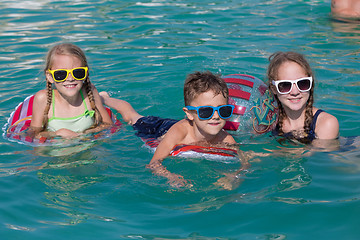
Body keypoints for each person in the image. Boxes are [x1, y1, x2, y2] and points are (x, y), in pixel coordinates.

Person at [100, 71, 249, 188]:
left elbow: (245, 162)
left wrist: (234, 175)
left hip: (185, 125)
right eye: (206, 111)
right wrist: (170, 176)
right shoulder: (179, 134)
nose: (216, 117)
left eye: (223, 111)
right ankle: (105, 99)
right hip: (160, 129)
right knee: (132, 117)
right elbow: (154, 163)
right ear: (190, 113)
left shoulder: (225, 138)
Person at [29, 43, 113, 139]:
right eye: (61, 74)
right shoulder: (43, 99)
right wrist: (56, 134)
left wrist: (84, 134)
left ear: (86, 73)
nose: (70, 78)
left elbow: (108, 125)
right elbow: (32, 135)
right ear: (50, 76)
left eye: (77, 72)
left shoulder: (89, 91)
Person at [267, 51, 339, 144]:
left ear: (311, 83)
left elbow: (314, 156)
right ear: (274, 89)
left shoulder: (326, 123)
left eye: (302, 83)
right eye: (285, 85)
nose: (295, 92)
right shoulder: (268, 122)